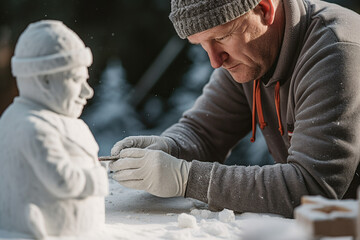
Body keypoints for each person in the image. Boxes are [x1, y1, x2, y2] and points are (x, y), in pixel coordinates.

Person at [109, 0, 360, 218]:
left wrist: (187, 178)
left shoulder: (336, 52)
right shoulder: (252, 55)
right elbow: (203, 133)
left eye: (221, 37)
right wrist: (168, 148)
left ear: (263, 10)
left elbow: (312, 188)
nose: (215, 61)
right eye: (201, 44)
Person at [0, 20, 108, 238]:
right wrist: (96, 179)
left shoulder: (45, 120)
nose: (88, 92)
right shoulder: (32, 127)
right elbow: (62, 180)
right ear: (45, 81)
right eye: (77, 80)